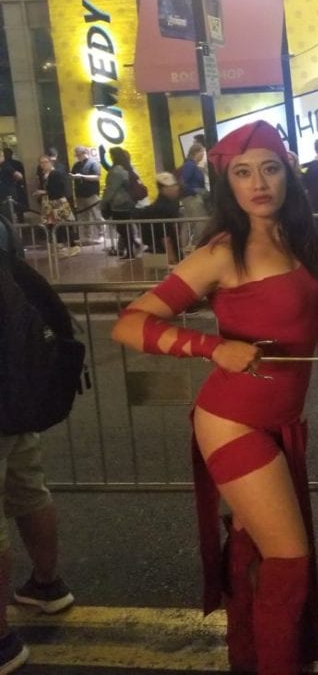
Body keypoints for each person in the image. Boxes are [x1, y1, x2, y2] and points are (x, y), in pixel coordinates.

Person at [110, 120, 318, 675]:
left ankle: (252, 658)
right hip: (233, 421)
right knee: (289, 556)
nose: (258, 183)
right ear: (227, 184)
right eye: (242, 172)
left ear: (288, 176)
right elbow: (131, 323)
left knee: (256, 548)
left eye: (269, 168)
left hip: (281, 420)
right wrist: (212, 347)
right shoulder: (221, 254)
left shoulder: (300, 242)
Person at [0, 213, 76, 673]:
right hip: (16, 393)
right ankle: (47, 585)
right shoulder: (2, 228)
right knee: (29, 491)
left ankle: (1, 642)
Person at [134, 172, 184, 265]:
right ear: (163, 189)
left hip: (164, 251)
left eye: (175, 185)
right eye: (171, 187)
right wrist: (171, 258)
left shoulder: (170, 203)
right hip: (162, 253)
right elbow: (164, 235)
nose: (176, 188)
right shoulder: (162, 207)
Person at [34, 155, 78, 257]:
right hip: (49, 203)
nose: (44, 164)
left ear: (51, 162)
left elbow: (59, 189)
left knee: (63, 225)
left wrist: (43, 192)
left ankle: (72, 246)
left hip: (57, 203)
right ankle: (60, 247)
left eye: (46, 162)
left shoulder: (55, 174)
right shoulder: (44, 175)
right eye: (41, 163)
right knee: (53, 225)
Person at [101, 147, 139, 259]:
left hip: (119, 203)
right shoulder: (125, 168)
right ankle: (131, 250)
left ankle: (130, 252)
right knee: (125, 228)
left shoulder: (116, 171)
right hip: (127, 202)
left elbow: (111, 189)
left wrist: (103, 203)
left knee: (122, 229)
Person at [70, 145, 104, 244]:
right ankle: (86, 236)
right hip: (80, 194)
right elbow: (72, 175)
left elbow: (96, 177)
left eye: (79, 155)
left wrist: (82, 176)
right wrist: (72, 177)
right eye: (76, 155)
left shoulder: (93, 163)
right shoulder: (76, 165)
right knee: (84, 217)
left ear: (85, 153)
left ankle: (101, 234)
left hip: (91, 194)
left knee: (97, 215)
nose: (77, 157)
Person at [1, 149, 27, 223]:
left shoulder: (7, 165)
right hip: (6, 192)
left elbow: (19, 176)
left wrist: (16, 181)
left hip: (9, 192)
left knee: (11, 212)